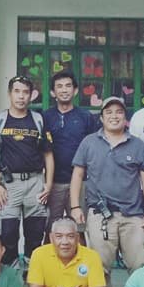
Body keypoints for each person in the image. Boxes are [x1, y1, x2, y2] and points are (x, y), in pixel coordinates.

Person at [69, 96, 144, 278]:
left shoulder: (137, 144)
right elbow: (77, 175)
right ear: (101, 118)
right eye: (108, 112)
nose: (114, 116)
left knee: (140, 267)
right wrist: (75, 207)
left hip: (133, 215)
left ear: (125, 117)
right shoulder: (89, 142)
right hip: (99, 215)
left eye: (119, 112)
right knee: (99, 269)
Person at [0, 76, 54, 266]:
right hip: (9, 185)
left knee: (35, 233)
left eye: (25, 92)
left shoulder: (38, 120)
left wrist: (48, 185)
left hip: (35, 182)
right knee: (8, 232)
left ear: (31, 95)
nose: (21, 96)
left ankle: (31, 274)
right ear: (9, 94)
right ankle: (10, 272)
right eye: (17, 91)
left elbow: (48, 155)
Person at [41, 70, 100, 227]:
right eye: (59, 86)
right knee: (51, 227)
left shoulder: (85, 117)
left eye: (68, 86)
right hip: (53, 182)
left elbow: (94, 149)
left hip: (81, 181)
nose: (64, 90)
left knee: (79, 226)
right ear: (53, 92)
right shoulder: (45, 117)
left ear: (75, 90)